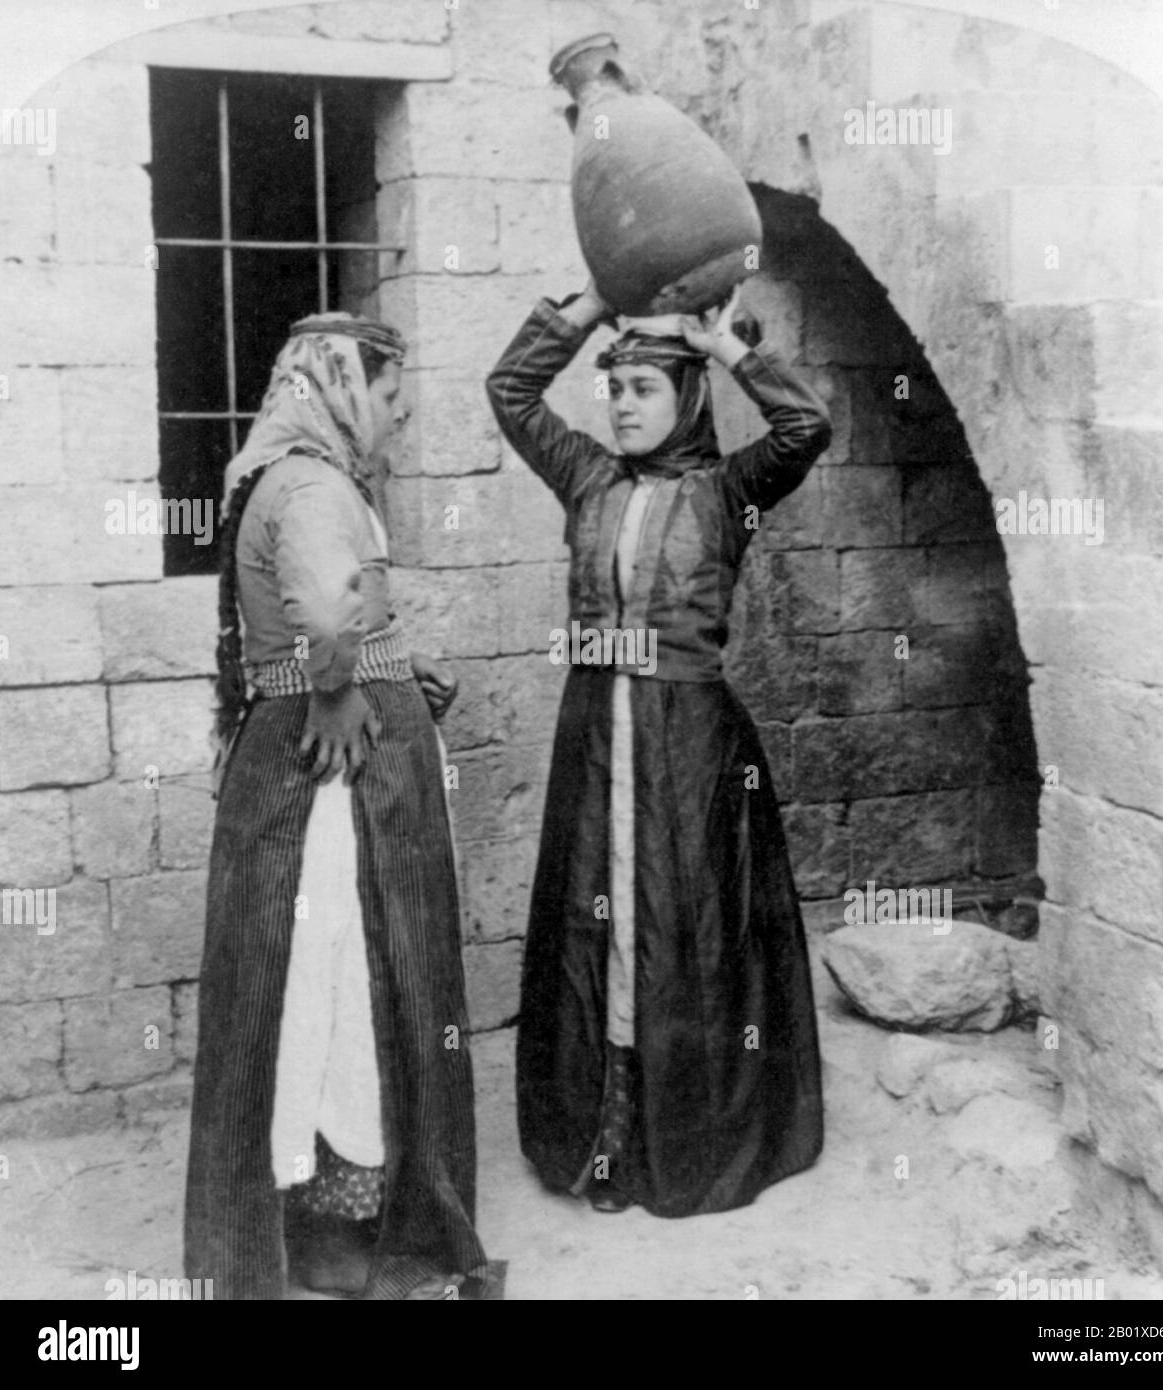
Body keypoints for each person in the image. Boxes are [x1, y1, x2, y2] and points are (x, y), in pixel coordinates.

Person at [486, 281, 832, 1218]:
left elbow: (805, 427)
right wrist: (595, 305)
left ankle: (687, 1140)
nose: (623, 405)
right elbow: (510, 392)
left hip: (690, 746)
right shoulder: (586, 477)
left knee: (686, 929)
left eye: (644, 388)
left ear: (685, 397)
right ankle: (601, 1136)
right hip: (595, 734)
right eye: (615, 388)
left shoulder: (727, 491)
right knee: (596, 930)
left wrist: (723, 346)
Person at [184, 312, 497, 1299]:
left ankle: (311, 1212)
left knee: (308, 980)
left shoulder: (276, 473)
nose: (396, 417)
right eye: (388, 397)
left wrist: (397, 665)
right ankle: (355, 1223)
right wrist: (342, 688)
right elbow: (324, 616)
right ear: (339, 385)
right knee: (350, 972)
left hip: (304, 759)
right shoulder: (317, 484)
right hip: (335, 776)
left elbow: (321, 614)